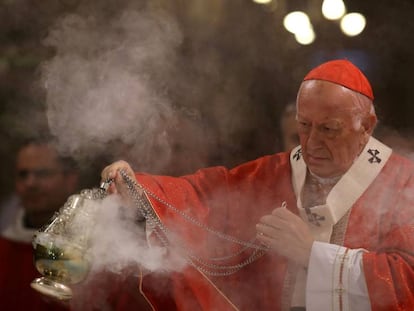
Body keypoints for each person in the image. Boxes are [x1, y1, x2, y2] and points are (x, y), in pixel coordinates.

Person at [101, 59, 414, 310]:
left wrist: (313, 255)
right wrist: (142, 188)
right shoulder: (276, 172)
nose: (312, 144)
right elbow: (208, 195)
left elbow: (407, 279)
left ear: (366, 127)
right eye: (304, 126)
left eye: (329, 130)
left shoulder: (403, 185)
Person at [0, 136, 80, 310]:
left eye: (42, 173)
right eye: (23, 174)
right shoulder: (3, 249)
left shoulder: (92, 251)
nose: (30, 183)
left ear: (70, 179)